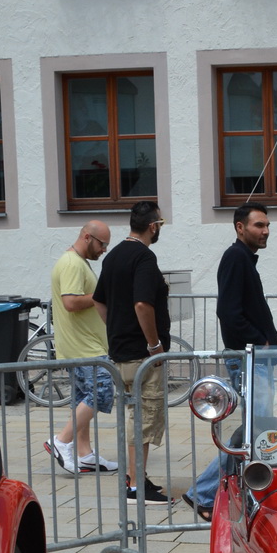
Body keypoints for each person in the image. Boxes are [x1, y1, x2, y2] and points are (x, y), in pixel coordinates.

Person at [183, 200, 277, 520]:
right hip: (248, 357)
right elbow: (228, 313)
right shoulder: (235, 257)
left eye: (267, 225)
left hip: (253, 355)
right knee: (256, 428)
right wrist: (260, 341)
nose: (265, 230)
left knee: (257, 426)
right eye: (259, 225)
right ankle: (204, 492)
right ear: (240, 228)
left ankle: (213, 491)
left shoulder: (244, 258)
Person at [95, 199, 171, 502]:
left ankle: (134, 478)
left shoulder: (112, 256)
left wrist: (116, 327)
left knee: (134, 416)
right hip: (142, 355)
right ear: (153, 226)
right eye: (160, 224)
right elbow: (142, 303)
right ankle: (136, 486)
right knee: (144, 419)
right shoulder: (143, 258)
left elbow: (99, 301)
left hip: (121, 351)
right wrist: (153, 344)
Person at [43, 221, 118, 473]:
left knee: (83, 399)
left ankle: (84, 454)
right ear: (87, 237)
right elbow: (71, 302)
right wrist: (104, 295)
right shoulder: (72, 263)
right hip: (83, 346)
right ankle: (61, 441)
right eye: (102, 244)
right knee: (102, 391)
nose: (104, 250)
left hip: (80, 345)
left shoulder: (76, 262)